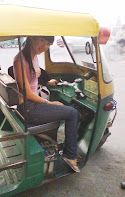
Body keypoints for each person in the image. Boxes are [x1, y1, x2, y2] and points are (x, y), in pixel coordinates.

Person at [13, 36, 80, 172]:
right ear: (32, 39)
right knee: (73, 113)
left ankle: (64, 147)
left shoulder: (33, 56)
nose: (44, 46)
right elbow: (27, 93)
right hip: (28, 108)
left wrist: (47, 82)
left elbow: (33, 80)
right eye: (42, 41)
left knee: (65, 108)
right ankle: (70, 156)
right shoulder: (20, 60)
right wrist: (49, 102)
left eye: (48, 44)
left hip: (32, 103)